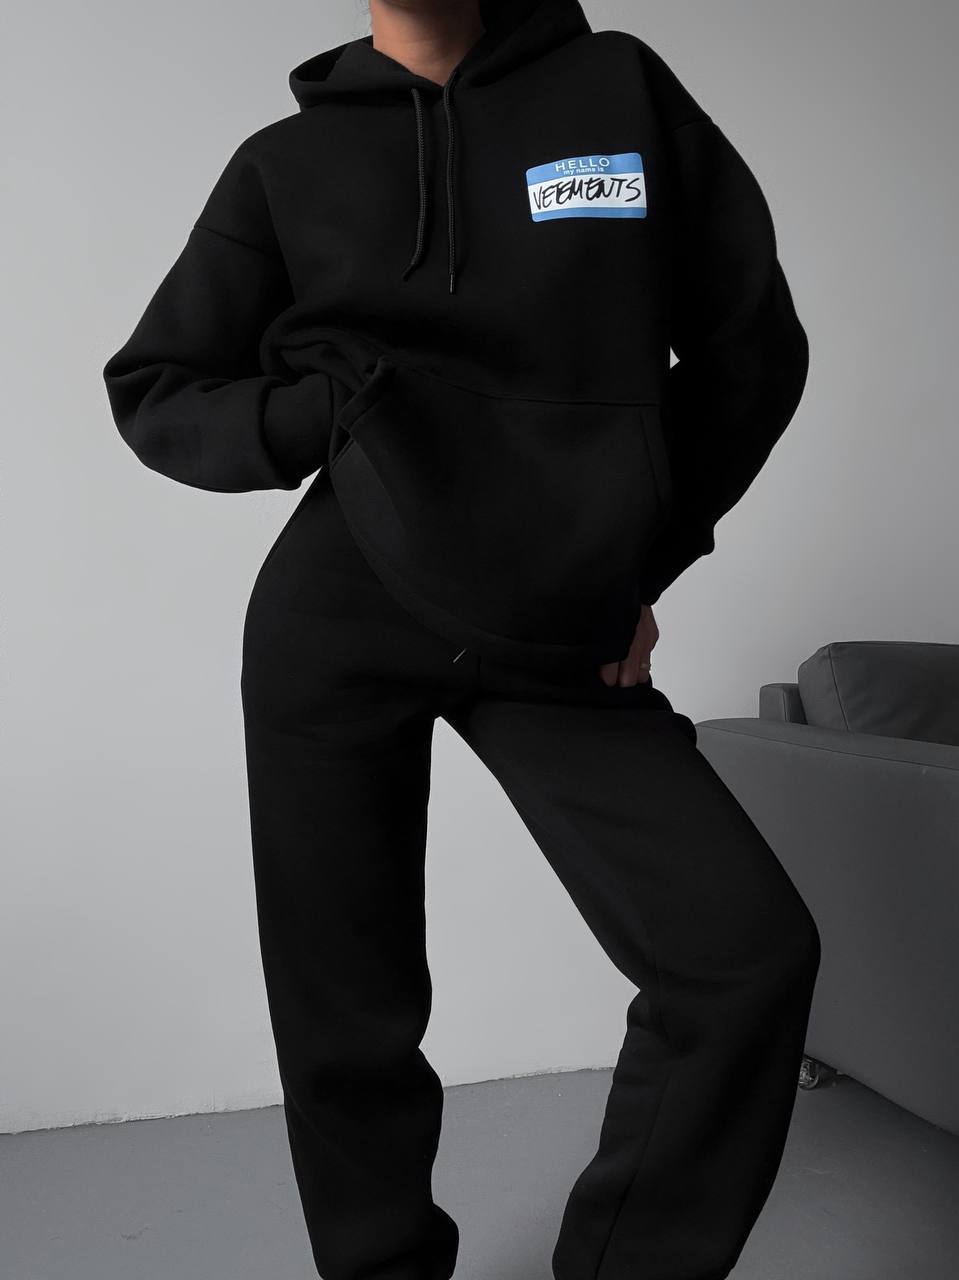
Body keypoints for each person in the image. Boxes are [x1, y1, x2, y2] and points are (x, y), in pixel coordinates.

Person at [101, 2, 820, 1278]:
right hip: (340, 612)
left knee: (740, 955)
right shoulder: (285, 161)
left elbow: (749, 347)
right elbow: (157, 386)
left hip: (560, 619)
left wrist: (642, 557)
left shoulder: (616, 89)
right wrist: (326, 416)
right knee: (346, 1012)